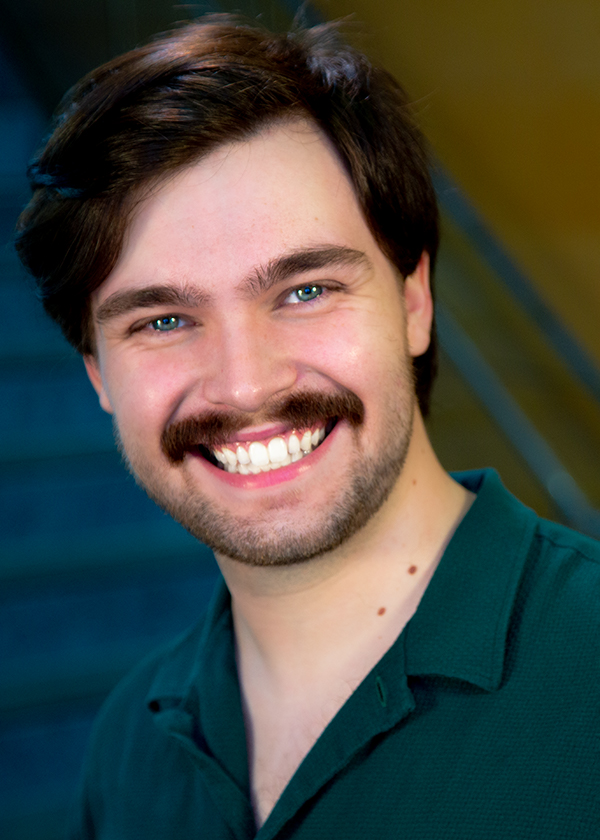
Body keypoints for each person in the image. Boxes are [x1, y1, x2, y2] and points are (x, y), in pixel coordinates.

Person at [16, 14, 600, 839]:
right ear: (97, 375)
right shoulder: (130, 748)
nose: (246, 383)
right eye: (163, 321)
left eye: (305, 291)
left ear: (414, 302)